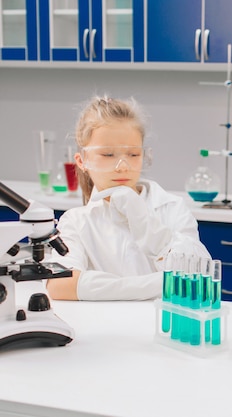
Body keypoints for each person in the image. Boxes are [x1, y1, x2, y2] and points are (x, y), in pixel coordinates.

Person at [46, 95, 210, 301]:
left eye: (133, 154)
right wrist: (164, 283)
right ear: (82, 160)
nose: (123, 166)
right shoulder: (75, 221)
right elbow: (60, 285)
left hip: (164, 325)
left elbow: (198, 277)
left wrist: (152, 231)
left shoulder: (171, 208)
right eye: (107, 155)